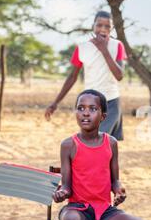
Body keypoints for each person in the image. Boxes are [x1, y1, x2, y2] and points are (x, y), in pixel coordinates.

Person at [52, 89, 147, 220]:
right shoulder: (68, 145)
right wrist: (61, 192)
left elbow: (115, 180)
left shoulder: (110, 143)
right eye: (81, 108)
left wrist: (119, 191)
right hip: (77, 210)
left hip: (104, 211)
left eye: (92, 109)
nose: (85, 113)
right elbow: (66, 186)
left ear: (103, 116)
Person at [45, 11, 127, 140]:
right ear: (93, 26)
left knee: (103, 141)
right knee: (91, 141)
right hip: (90, 103)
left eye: (107, 27)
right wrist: (55, 102)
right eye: (99, 25)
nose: (103, 29)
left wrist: (104, 50)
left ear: (112, 29)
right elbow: (72, 77)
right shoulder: (83, 48)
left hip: (111, 102)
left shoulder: (117, 45)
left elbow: (119, 75)